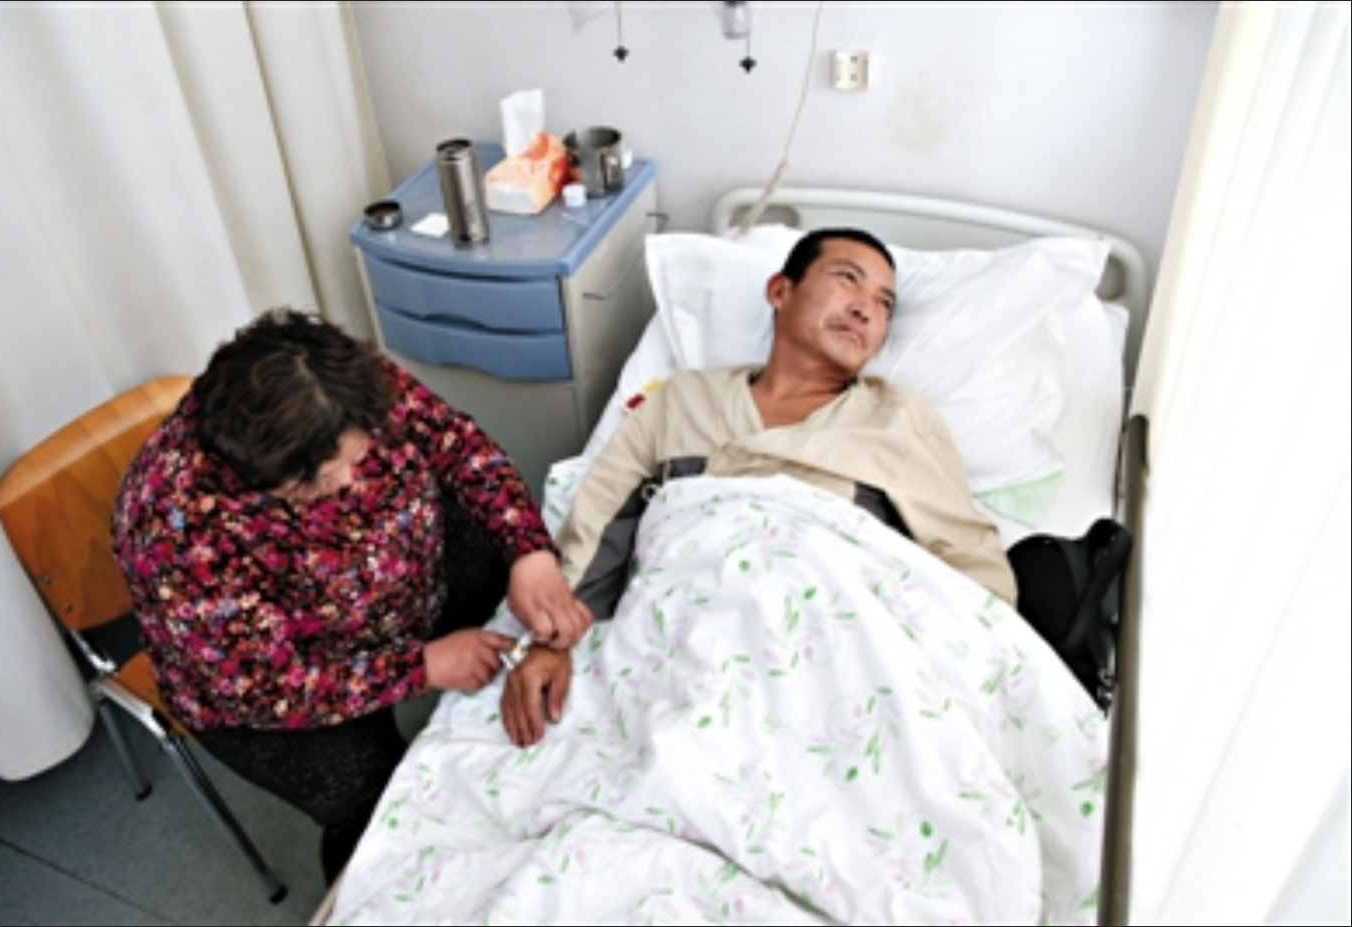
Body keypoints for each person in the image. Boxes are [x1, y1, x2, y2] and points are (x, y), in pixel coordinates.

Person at [110, 307, 591, 884]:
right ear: (258, 476)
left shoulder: (333, 384)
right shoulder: (175, 529)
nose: (350, 482)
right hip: (283, 683)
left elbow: (458, 446)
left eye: (358, 456)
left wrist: (528, 549)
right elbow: (264, 688)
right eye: (317, 481)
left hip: (403, 581)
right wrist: (420, 668)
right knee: (373, 798)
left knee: (520, 609)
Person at [499, 226, 1017, 747]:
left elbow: (967, 559)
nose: (866, 310)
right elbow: (600, 521)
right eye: (847, 279)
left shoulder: (896, 420)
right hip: (685, 643)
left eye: (885, 303)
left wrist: (967, 675)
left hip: (834, 664)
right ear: (780, 290)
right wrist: (551, 642)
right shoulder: (683, 400)